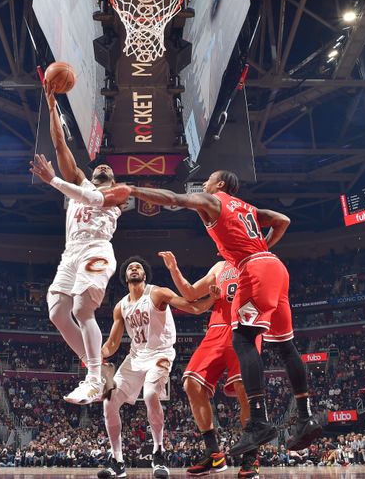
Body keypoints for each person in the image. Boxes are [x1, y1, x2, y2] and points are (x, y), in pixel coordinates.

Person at [128, 170, 321, 455]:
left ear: (219, 185)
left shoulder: (214, 201)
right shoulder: (248, 208)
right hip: (276, 267)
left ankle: (257, 421)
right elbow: (283, 220)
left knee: (242, 340)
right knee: (285, 346)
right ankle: (305, 417)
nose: (204, 183)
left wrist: (132, 190)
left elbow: (172, 198)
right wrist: (264, 247)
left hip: (254, 269)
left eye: (208, 179)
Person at [29, 86, 132, 405]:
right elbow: (59, 142)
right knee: (58, 313)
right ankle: (98, 369)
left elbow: (90, 198)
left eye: (108, 169)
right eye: (100, 166)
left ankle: (92, 379)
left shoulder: (119, 193)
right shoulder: (79, 181)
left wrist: (55, 183)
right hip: (71, 253)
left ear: (113, 179)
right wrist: (51, 103)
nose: (103, 167)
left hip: (97, 250)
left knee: (81, 308)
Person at [97, 256, 218, 479]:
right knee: (108, 399)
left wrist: (212, 298)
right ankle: (117, 461)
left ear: (144, 275)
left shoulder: (157, 293)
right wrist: (97, 354)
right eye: (130, 267)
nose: (134, 268)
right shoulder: (120, 306)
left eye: (139, 267)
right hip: (135, 357)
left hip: (160, 354)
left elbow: (192, 307)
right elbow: (112, 344)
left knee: (151, 394)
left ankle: (159, 453)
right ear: (125, 277)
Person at [157, 250, 259, 478]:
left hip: (246, 327)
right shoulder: (218, 268)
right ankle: (215, 454)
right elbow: (190, 293)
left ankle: (251, 457)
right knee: (190, 383)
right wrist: (174, 269)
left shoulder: (255, 261)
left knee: (245, 390)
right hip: (217, 329)